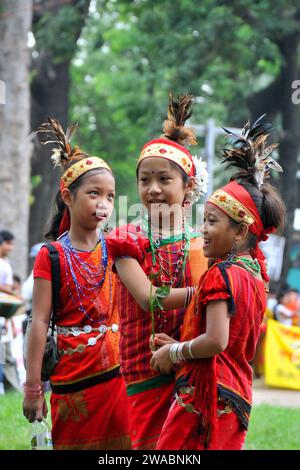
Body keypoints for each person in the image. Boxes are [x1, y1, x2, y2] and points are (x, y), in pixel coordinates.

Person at [151, 115, 286, 450]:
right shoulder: (255, 274)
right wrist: (182, 341)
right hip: (236, 396)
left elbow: (216, 342)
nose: (203, 230)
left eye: (211, 222)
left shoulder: (221, 274)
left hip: (205, 397)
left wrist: (175, 351)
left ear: (241, 231)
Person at [22, 118, 131, 450]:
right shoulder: (51, 255)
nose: (104, 204)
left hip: (118, 379)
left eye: (111, 196)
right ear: (68, 197)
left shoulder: (117, 249)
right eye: (94, 193)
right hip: (72, 384)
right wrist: (32, 387)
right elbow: (39, 321)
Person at [107, 94, 208, 449]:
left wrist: (182, 349)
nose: (152, 189)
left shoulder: (204, 244)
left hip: (193, 361)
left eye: (164, 179)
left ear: (188, 187)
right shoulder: (125, 240)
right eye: (144, 180)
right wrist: (205, 291)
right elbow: (148, 298)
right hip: (142, 368)